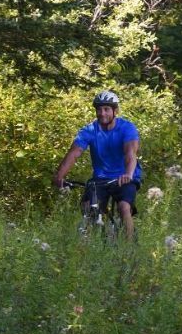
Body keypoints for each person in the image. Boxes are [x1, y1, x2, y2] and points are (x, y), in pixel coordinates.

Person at [52, 90, 142, 240]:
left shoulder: (127, 128)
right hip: (100, 178)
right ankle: (92, 244)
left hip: (125, 176)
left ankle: (129, 246)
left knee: (124, 207)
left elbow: (130, 153)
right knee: (88, 208)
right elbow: (74, 153)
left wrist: (128, 174)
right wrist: (60, 176)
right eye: (99, 109)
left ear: (115, 111)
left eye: (106, 109)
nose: (102, 113)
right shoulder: (89, 130)